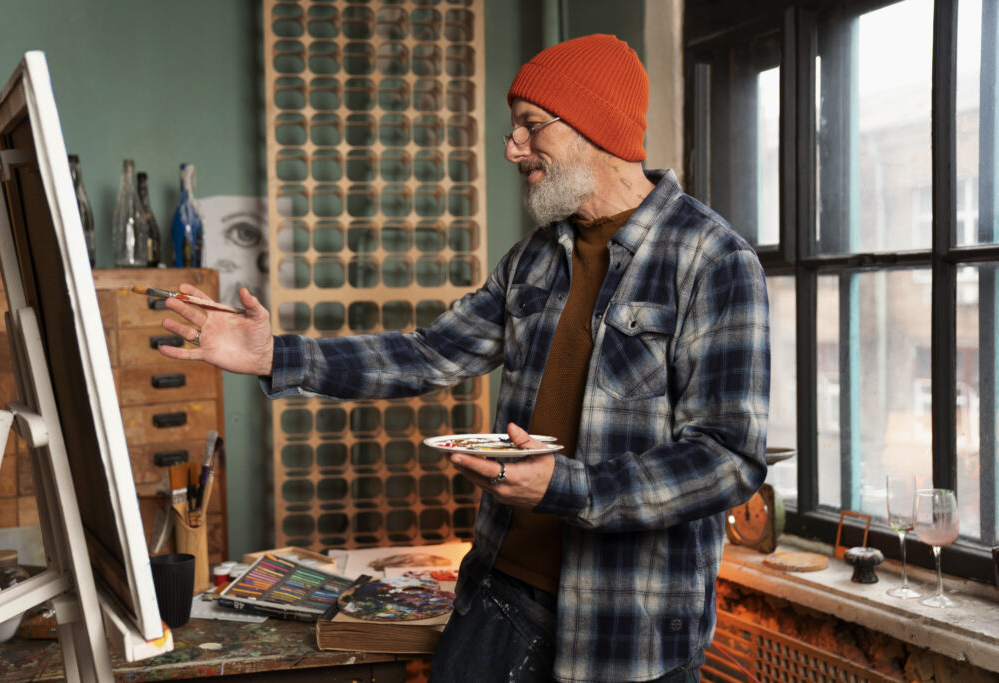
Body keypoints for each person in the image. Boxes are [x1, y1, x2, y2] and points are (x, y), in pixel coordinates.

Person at [158, 33, 769, 683]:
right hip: (499, 607)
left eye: (532, 127)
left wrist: (565, 486)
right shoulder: (536, 257)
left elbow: (728, 459)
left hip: (630, 634)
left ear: (597, 127)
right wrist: (276, 354)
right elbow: (429, 352)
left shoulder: (713, 260)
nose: (512, 147)